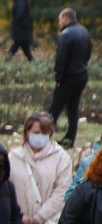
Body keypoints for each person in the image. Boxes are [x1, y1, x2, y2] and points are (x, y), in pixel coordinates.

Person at [50, 7, 91, 148]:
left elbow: (61, 59)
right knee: (73, 108)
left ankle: (44, 136)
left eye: (60, 19)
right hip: (82, 74)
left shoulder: (66, 35)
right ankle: (70, 139)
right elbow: (88, 52)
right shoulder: (84, 31)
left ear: (66, 19)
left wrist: (58, 77)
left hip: (69, 77)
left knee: (54, 109)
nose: (59, 22)